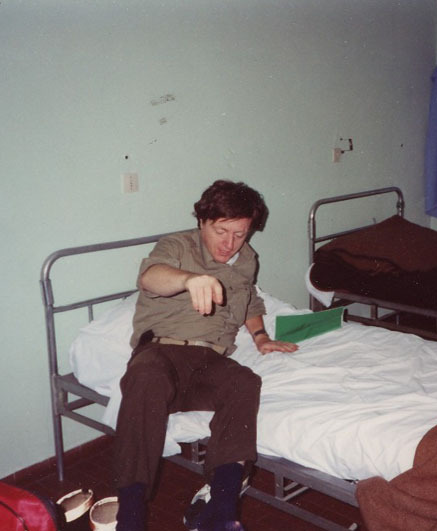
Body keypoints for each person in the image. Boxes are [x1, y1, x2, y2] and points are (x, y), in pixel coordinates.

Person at [113, 180, 298, 531]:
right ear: (202, 222)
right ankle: (130, 517)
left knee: (243, 381)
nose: (230, 244)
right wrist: (189, 280)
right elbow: (151, 277)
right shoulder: (176, 246)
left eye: (240, 234)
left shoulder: (247, 259)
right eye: (221, 231)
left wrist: (260, 336)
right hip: (161, 352)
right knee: (145, 377)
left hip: (209, 360)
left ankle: (222, 511)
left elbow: (250, 299)